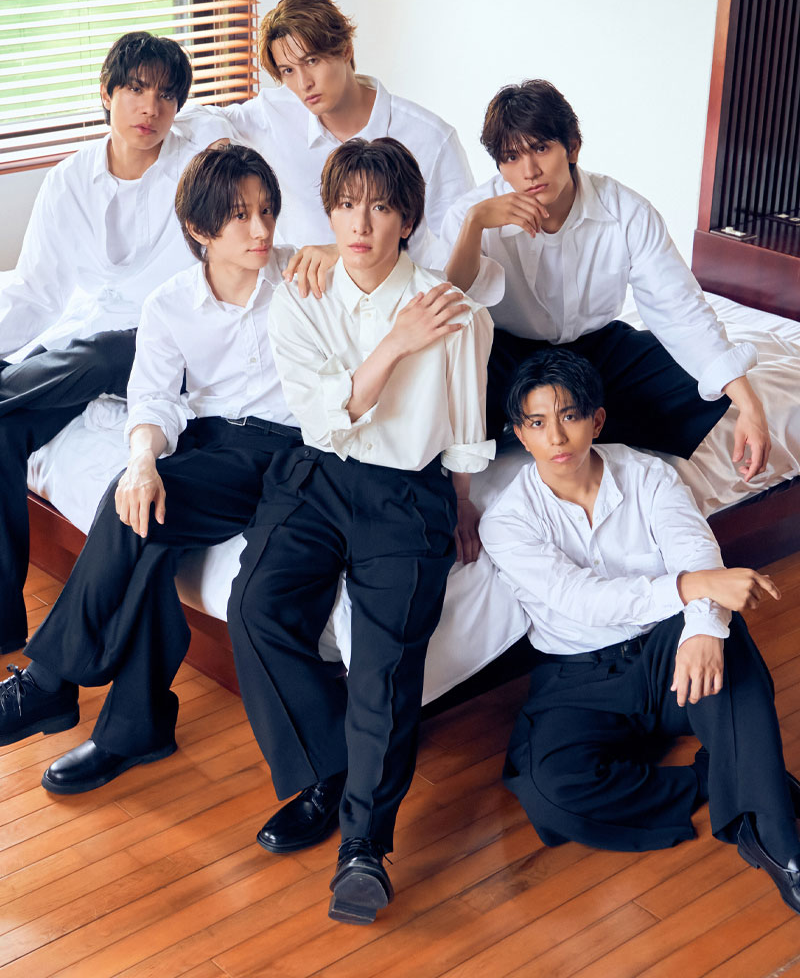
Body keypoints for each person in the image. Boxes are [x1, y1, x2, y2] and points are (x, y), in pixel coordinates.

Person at [0, 144, 331, 793]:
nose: (262, 229)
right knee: (140, 511)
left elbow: (382, 273)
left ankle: (50, 682)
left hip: (281, 450)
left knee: (132, 517)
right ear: (200, 229)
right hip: (208, 443)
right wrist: (142, 461)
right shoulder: (169, 303)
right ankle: (134, 727)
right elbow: (152, 400)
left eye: (268, 210)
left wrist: (340, 255)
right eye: (241, 216)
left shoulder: (303, 277)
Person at [226, 137, 494, 924]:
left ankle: (363, 849)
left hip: (407, 494)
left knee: (382, 667)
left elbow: (467, 423)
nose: (361, 224)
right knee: (256, 609)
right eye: (346, 206)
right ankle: (330, 769)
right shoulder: (299, 298)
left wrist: (462, 501)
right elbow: (322, 419)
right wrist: (396, 343)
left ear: (407, 218)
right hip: (317, 475)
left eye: (379, 207)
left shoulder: (456, 311)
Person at [479, 348, 800, 915]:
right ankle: (725, 775)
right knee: (553, 794)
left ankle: (777, 843)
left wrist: (703, 627)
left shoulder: (649, 474)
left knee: (728, 644)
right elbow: (581, 599)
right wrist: (694, 588)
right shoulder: (506, 521)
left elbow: (695, 550)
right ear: (520, 434)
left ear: (596, 420)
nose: (557, 437)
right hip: (577, 677)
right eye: (538, 423)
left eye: (570, 416)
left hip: (663, 650)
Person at [442, 79, 771, 480]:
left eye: (541, 148)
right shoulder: (472, 213)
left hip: (594, 352)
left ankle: (550, 418)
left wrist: (748, 403)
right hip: (509, 355)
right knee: (451, 377)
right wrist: (475, 225)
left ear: (572, 147)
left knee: (697, 378)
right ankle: (562, 414)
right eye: (511, 157)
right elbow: (449, 305)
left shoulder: (625, 211)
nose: (528, 172)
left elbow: (679, 307)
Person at [0, 31, 207, 653]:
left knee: (100, 352)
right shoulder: (70, 178)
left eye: (167, 96)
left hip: (161, 344)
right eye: (136, 90)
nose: (151, 108)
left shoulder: (198, 173)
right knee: (6, 432)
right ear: (106, 93)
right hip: (85, 345)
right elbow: (37, 291)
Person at [176, 0, 474, 264]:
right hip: (300, 296)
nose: (303, 83)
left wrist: (343, 254)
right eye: (288, 70)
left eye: (312, 61)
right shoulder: (276, 112)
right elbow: (193, 118)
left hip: (397, 295)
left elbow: (459, 252)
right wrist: (220, 145)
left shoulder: (430, 138)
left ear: (345, 50)